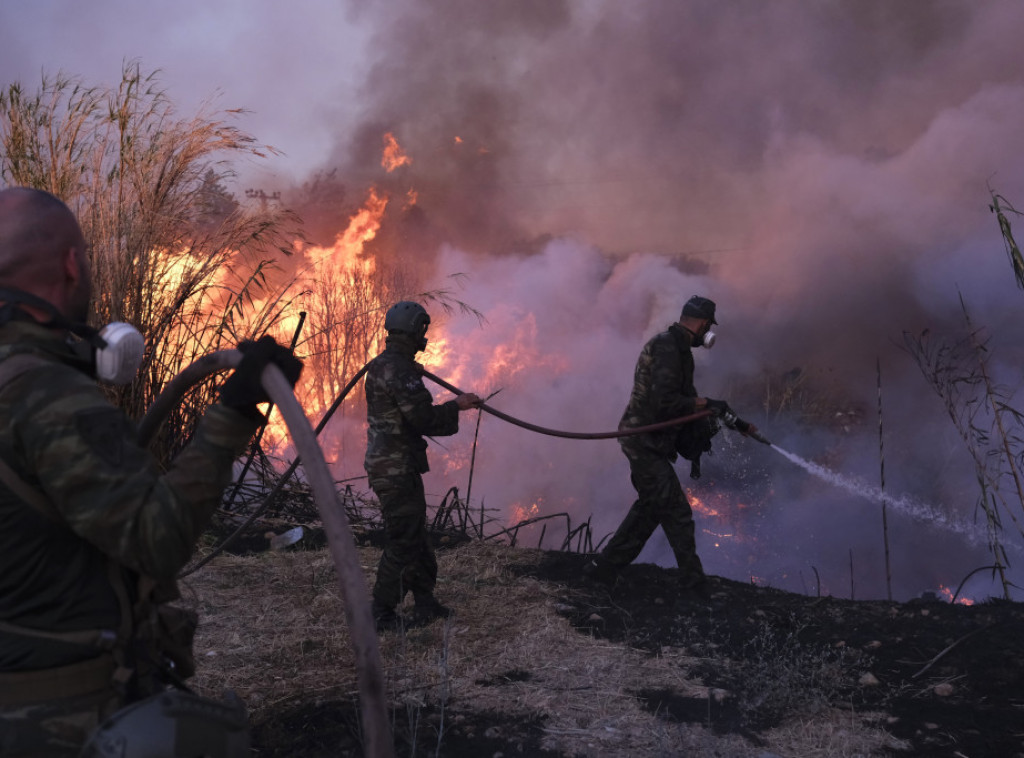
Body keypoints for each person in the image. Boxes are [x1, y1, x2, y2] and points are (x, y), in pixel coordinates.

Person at [0, 187, 301, 756]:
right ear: (71, 264)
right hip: (52, 719)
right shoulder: (46, 394)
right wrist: (232, 415)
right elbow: (156, 540)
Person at [584, 295, 752, 600]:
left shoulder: (681, 351)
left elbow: (684, 399)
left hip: (654, 442)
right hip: (643, 441)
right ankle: (694, 585)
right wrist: (705, 403)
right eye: (707, 327)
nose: (706, 334)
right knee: (677, 512)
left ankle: (603, 571)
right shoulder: (666, 347)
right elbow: (665, 402)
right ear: (702, 325)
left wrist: (714, 414)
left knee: (650, 509)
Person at [364, 301, 481, 631]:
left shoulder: (385, 365)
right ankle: (381, 613)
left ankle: (425, 602)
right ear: (415, 330)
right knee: (404, 539)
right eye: (423, 331)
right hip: (395, 468)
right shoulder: (399, 370)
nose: (424, 337)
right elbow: (424, 418)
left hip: (392, 465)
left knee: (416, 535)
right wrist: (457, 406)